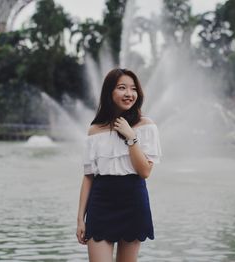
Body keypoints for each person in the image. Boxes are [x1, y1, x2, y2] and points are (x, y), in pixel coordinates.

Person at [76, 68, 162, 262]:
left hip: (133, 200)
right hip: (101, 203)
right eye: (122, 88)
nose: (129, 94)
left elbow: (145, 171)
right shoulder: (94, 131)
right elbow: (88, 176)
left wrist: (131, 136)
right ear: (110, 92)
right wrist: (81, 218)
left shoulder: (146, 126)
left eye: (133, 89)